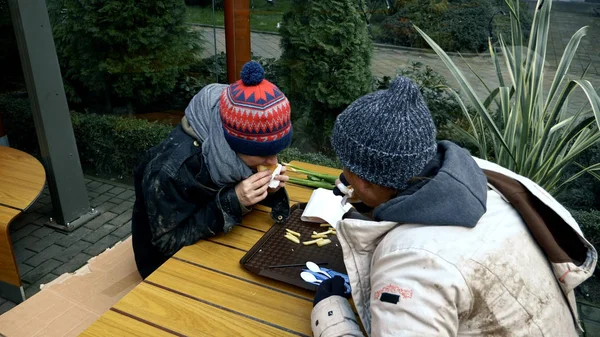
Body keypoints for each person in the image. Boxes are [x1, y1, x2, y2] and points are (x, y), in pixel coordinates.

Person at [310, 76, 597, 336]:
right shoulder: (486, 178)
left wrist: (333, 319)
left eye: (346, 170)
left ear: (362, 182)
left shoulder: (410, 265)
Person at [131, 61, 292, 279]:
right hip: (166, 268)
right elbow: (165, 243)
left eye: (277, 151)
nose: (273, 160)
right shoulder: (168, 170)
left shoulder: (236, 142)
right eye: (264, 155)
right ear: (231, 145)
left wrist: (268, 192)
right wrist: (233, 201)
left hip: (218, 243)